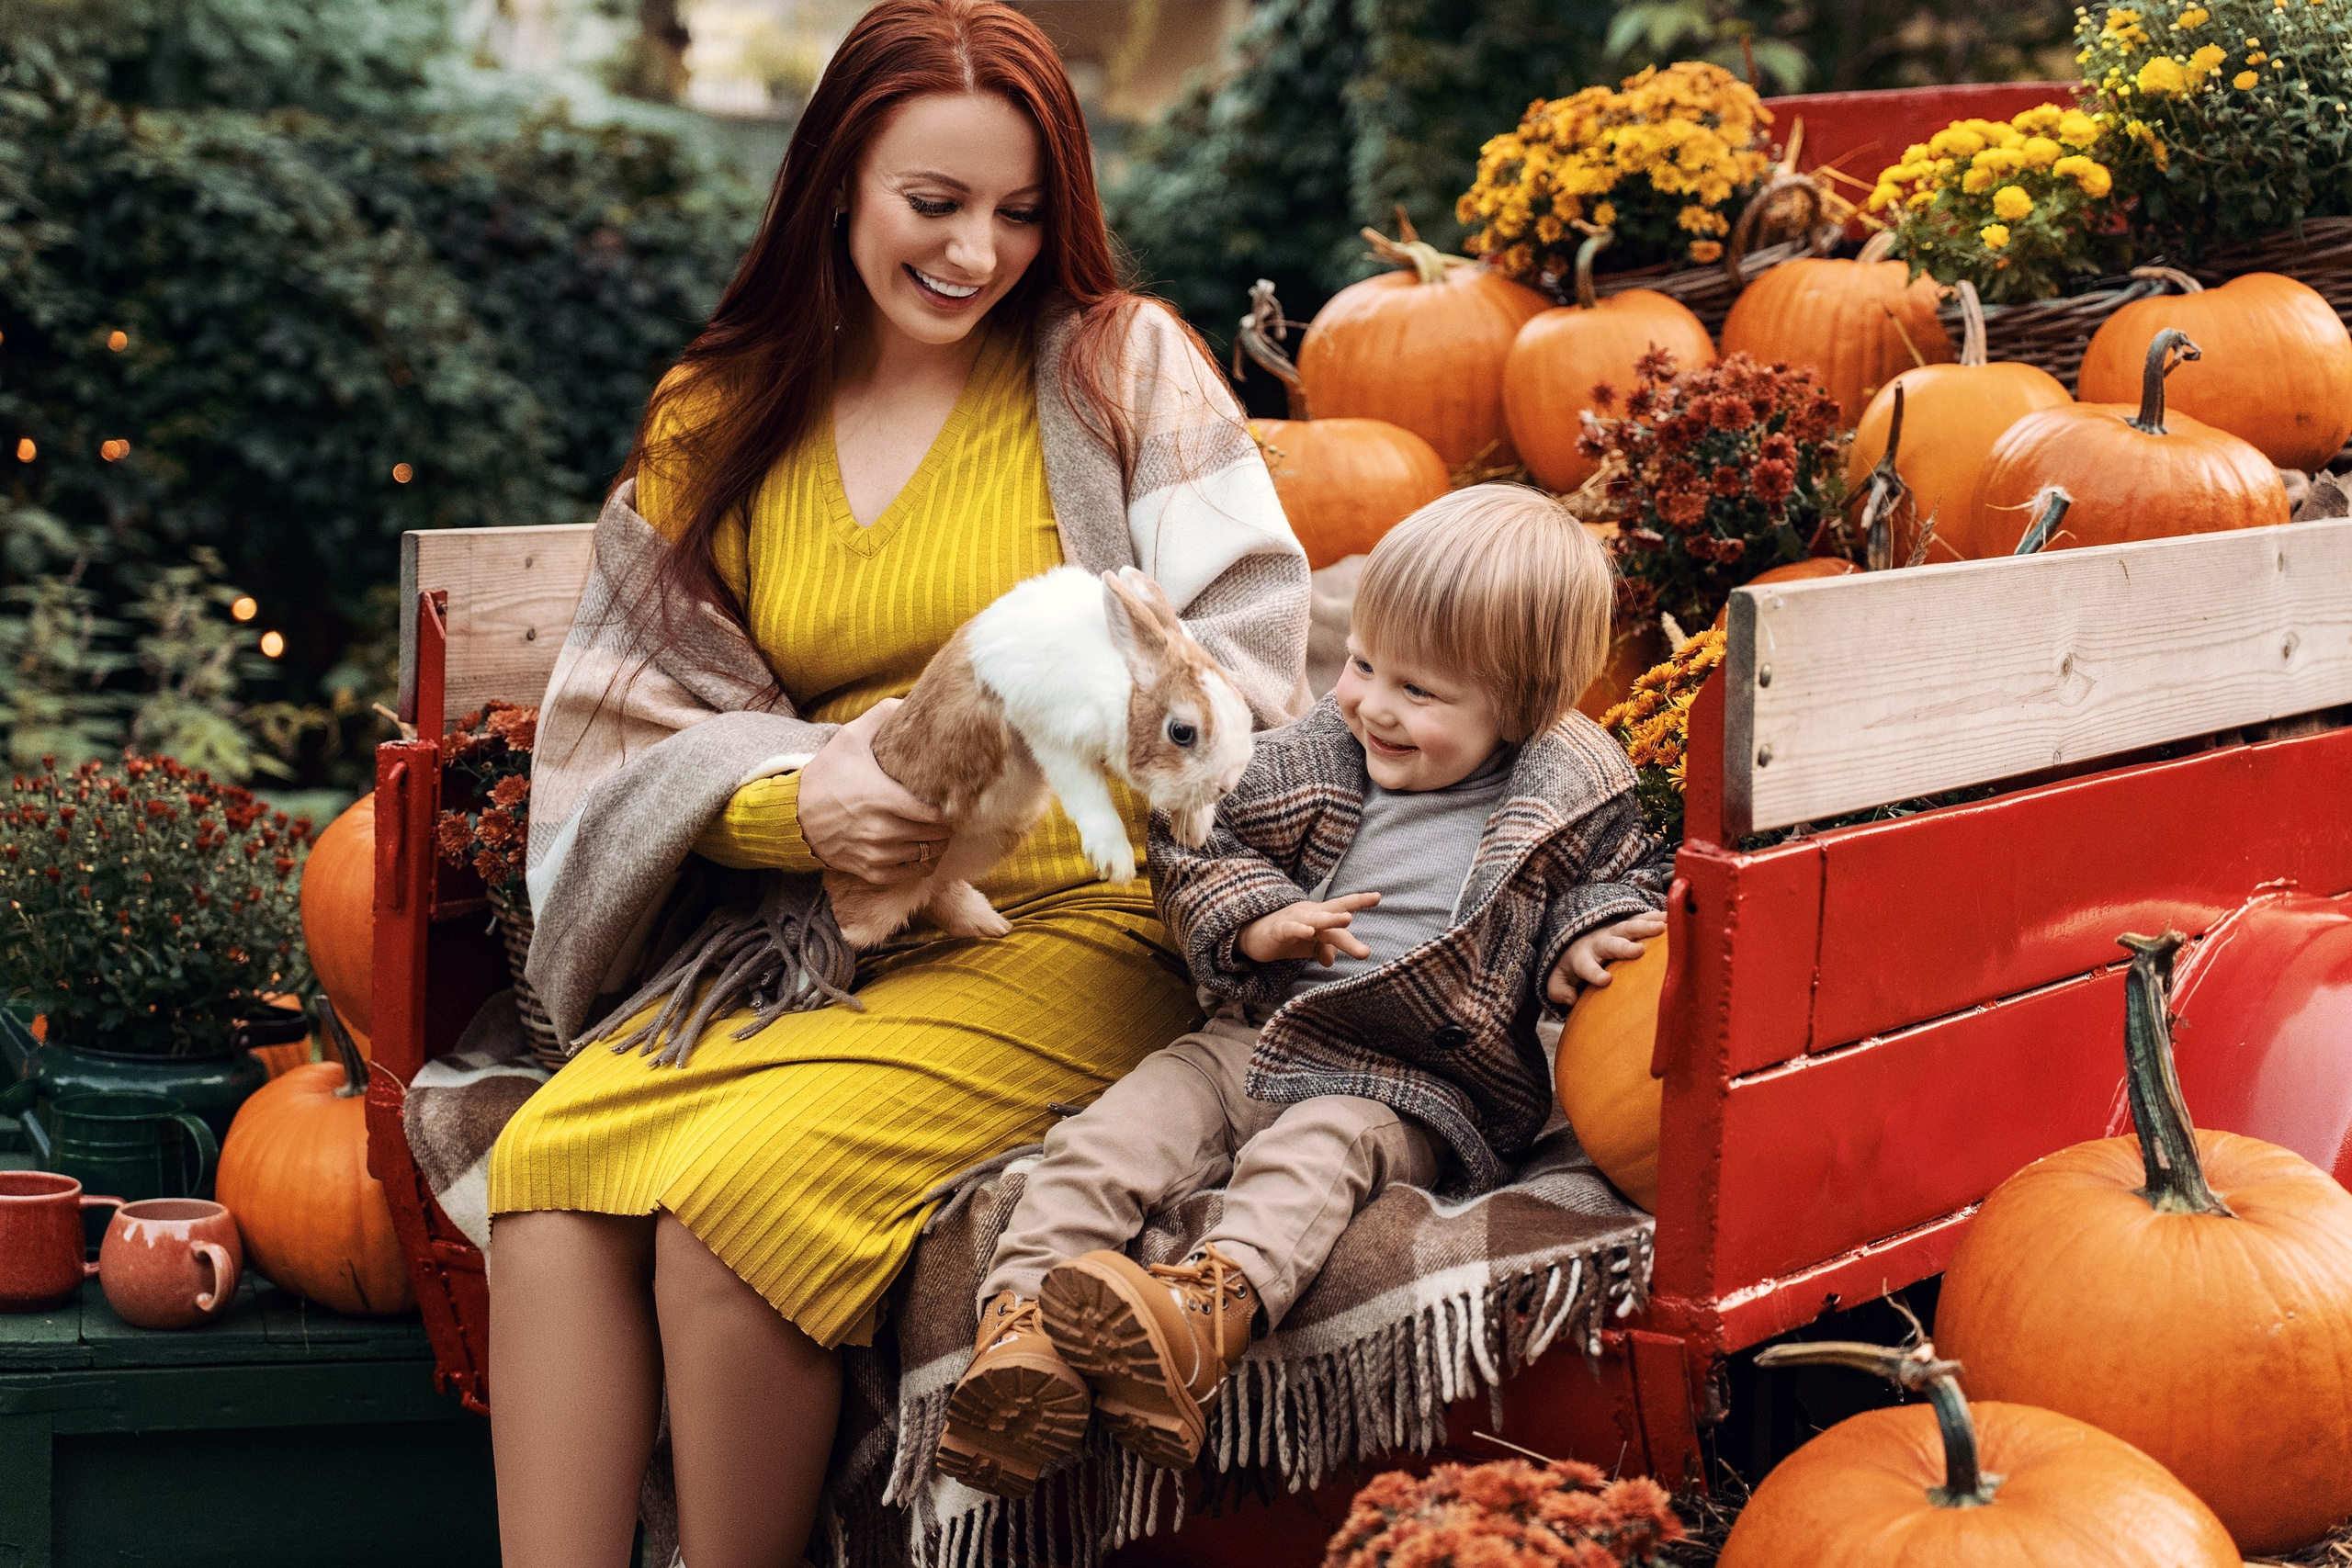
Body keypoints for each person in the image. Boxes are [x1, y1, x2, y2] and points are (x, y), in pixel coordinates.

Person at [481, 4, 1310, 1564]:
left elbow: (1253, 663)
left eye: (1020, 211)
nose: (976, 251)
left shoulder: (1119, 367)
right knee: (548, 1169)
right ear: (837, 185)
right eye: (933, 203)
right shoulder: (720, 409)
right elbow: (630, 719)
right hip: (823, 928)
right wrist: (797, 805)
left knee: (736, 1206)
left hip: (1089, 922)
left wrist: (1089, 733)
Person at [934, 485, 1671, 1497]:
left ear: (1523, 705)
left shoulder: (1570, 788)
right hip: (1261, 1030)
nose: (1373, 704)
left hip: (1408, 1080)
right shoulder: (1322, 750)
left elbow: (1621, 877)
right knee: (1112, 1134)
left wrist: (1581, 936)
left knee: (1316, 1153)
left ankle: (1203, 1321)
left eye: (1419, 691)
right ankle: (1018, 1337)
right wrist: (1258, 919)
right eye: (1363, 664)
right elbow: (1201, 834)